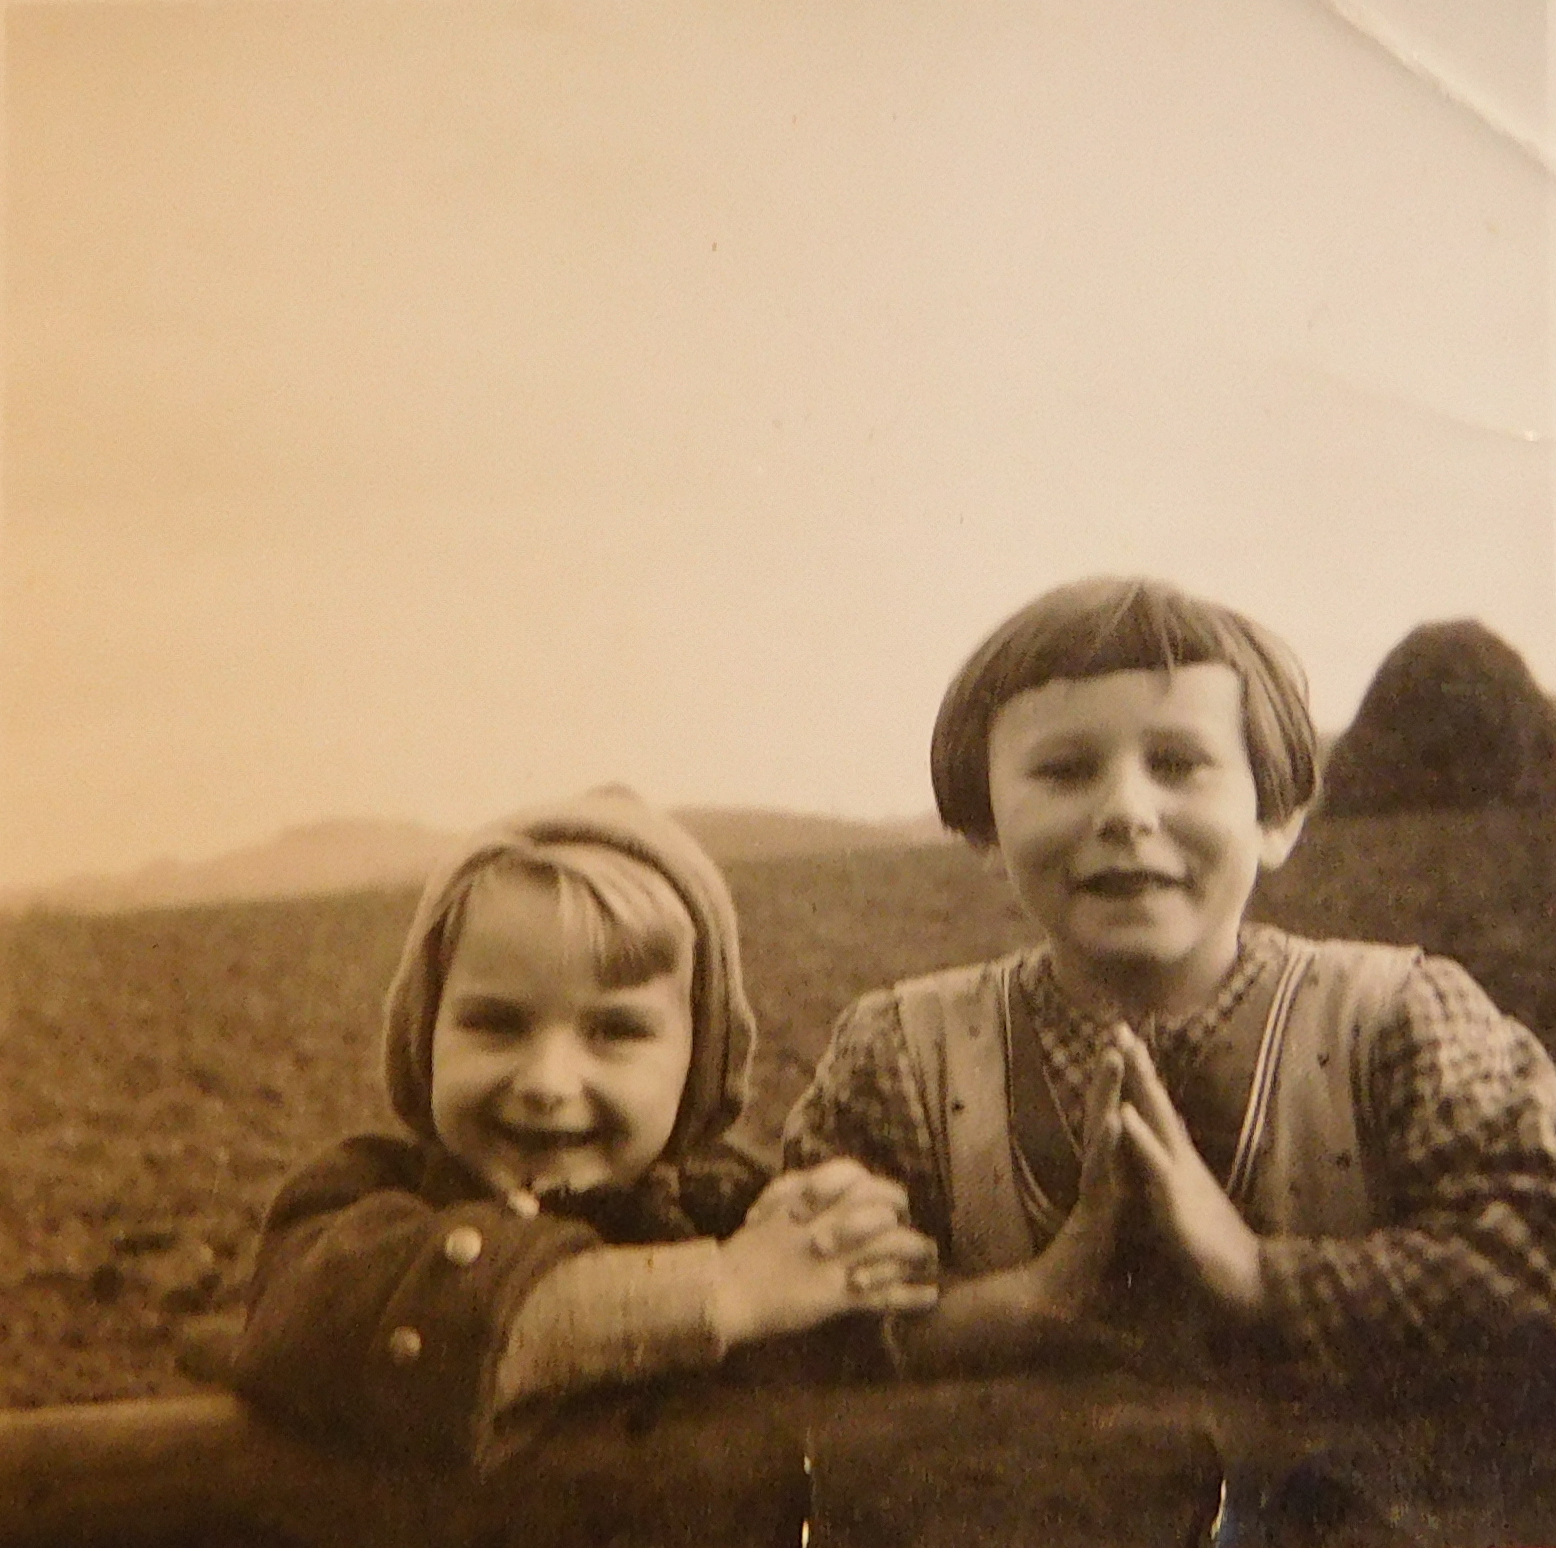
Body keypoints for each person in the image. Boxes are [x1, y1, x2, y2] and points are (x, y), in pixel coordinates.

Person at [783, 575, 1556, 1384]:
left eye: (1179, 763)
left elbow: (1532, 1256)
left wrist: (1260, 1277)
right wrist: (1029, 1301)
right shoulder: (902, 1060)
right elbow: (793, 1317)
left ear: (1276, 817)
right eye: (1065, 771)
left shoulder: (1397, 1021)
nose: (1126, 810)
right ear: (985, 825)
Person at [232, 787, 937, 1473]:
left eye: (616, 1031)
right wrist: (723, 1290)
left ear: (698, 1063)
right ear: (425, 1038)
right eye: (496, 1023)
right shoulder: (356, 1203)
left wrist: (840, 1248)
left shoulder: (725, 1204)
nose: (547, 1082)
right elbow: (323, 1331)